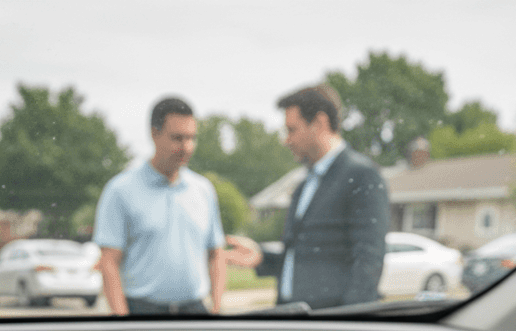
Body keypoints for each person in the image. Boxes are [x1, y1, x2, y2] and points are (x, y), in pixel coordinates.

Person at [226, 84, 389, 310]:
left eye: (292, 130)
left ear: (320, 123)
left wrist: (348, 322)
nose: (286, 140)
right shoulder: (305, 184)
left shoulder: (361, 175)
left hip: (327, 325)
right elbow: (307, 256)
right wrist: (261, 257)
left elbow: (369, 261)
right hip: (292, 316)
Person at [94, 97, 226, 315]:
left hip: (195, 311)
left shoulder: (203, 190)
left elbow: (216, 253)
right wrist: (122, 319)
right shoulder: (120, 191)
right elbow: (109, 262)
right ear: (154, 134)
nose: (186, 147)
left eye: (192, 138)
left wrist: (218, 307)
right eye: (177, 138)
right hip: (142, 311)